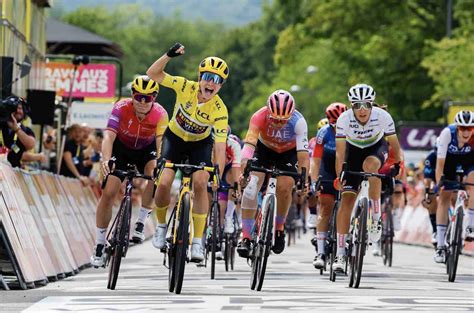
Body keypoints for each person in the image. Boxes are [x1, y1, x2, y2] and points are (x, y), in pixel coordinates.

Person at [146, 43, 229, 262]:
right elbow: (153, 74)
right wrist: (168, 55)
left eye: (218, 80)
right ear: (200, 77)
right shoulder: (184, 86)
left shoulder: (220, 110)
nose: (211, 83)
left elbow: (219, 146)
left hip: (199, 146)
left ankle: (198, 242)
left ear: (221, 86)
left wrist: (217, 172)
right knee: (163, 183)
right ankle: (162, 226)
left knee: (201, 183)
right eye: (208, 77)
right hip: (174, 140)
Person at [90, 75, 169, 267]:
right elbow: (108, 137)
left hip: (146, 149)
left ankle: (141, 221)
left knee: (154, 174)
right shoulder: (121, 107)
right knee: (109, 192)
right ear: (132, 95)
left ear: (154, 98)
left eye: (147, 98)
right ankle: (100, 244)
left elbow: (161, 144)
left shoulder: (160, 114)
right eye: (138, 97)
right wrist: (106, 159)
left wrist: (161, 163)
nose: (142, 102)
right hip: (122, 148)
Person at [333, 84, 401, 272]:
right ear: (351, 106)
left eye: (366, 105)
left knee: (371, 167)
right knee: (346, 201)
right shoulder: (343, 119)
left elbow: (394, 144)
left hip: (375, 148)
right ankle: (339, 254)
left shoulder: (383, 117)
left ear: (372, 105)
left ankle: (376, 216)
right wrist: (340, 175)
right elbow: (340, 153)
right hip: (352, 152)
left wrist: (398, 164)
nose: (362, 110)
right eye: (357, 105)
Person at [236, 89, 310, 258]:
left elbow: (304, 157)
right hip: (263, 150)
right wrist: (244, 172)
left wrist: (304, 180)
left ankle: (279, 227)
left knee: (285, 187)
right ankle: (246, 236)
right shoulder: (259, 116)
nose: (278, 123)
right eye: (275, 119)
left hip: (288, 153)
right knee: (251, 185)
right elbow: (249, 146)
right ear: (268, 112)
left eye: (283, 120)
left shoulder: (299, 122)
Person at [433, 110, 474, 263]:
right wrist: (439, 185)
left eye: (469, 128)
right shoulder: (447, 134)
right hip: (448, 161)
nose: (466, 132)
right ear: (457, 128)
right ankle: (441, 246)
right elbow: (440, 164)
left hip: (469, 161)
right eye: (462, 128)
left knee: (473, 184)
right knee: (444, 197)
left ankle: (471, 225)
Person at [311, 102, 347, 269]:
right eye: (334, 124)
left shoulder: (352, 131)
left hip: (346, 167)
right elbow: (316, 160)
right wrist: (314, 180)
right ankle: (321, 252)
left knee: (347, 207)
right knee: (325, 208)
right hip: (327, 168)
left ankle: (345, 244)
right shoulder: (323, 133)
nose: (337, 128)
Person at [0, 96, 35, 167]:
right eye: (14, 108)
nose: (17, 111)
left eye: (20, 108)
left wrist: (17, 129)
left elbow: (30, 144)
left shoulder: (25, 130)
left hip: (13, 172)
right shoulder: (1, 123)